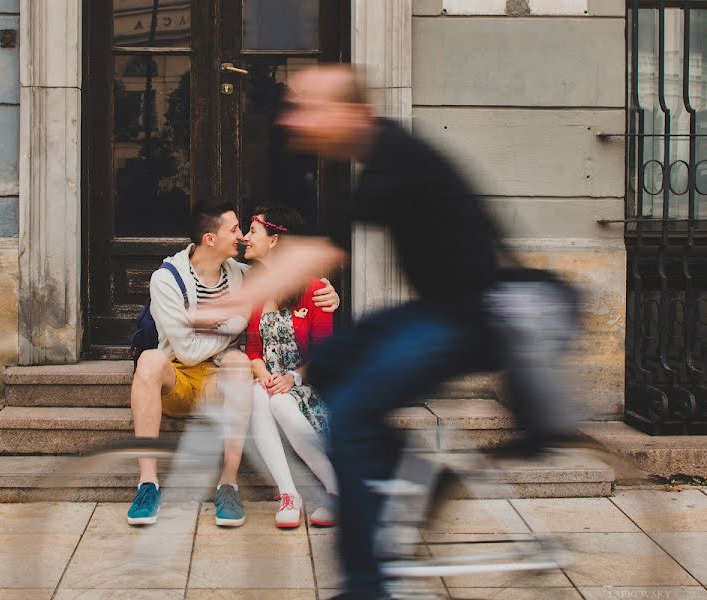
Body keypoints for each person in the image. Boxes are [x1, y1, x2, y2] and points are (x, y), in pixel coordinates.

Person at [193, 66, 581, 598]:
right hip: (443, 309)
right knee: (330, 365)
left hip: (477, 316)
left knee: (348, 418)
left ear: (350, 113)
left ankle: (365, 585)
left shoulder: (395, 156)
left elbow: (319, 249)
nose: (295, 117)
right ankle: (401, 468)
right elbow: (326, 241)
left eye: (309, 106)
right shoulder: (373, 159)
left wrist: (235, 299)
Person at [126, 203, 341, 528]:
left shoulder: (246, 276)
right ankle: (147, 484)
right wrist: (236, 324)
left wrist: (330, 295)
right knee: (149, 360)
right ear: (210, 239)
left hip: (234, 381)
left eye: (248, 229)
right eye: (235, 230)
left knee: (246, 371)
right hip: (181, 375)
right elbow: (188, 350)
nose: (242, 236)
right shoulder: (167, 279)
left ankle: (229, 485)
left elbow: (295, 293)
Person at [242, 206, 338, 529]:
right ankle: (288, 495)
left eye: (253, 231)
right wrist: (265, 376)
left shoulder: (314, 291)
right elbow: (253, 349)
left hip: (309, 388)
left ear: (275, 240)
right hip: (274, 385)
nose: (244, 237)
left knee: (279, 400)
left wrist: (293, 377)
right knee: (259, 394)